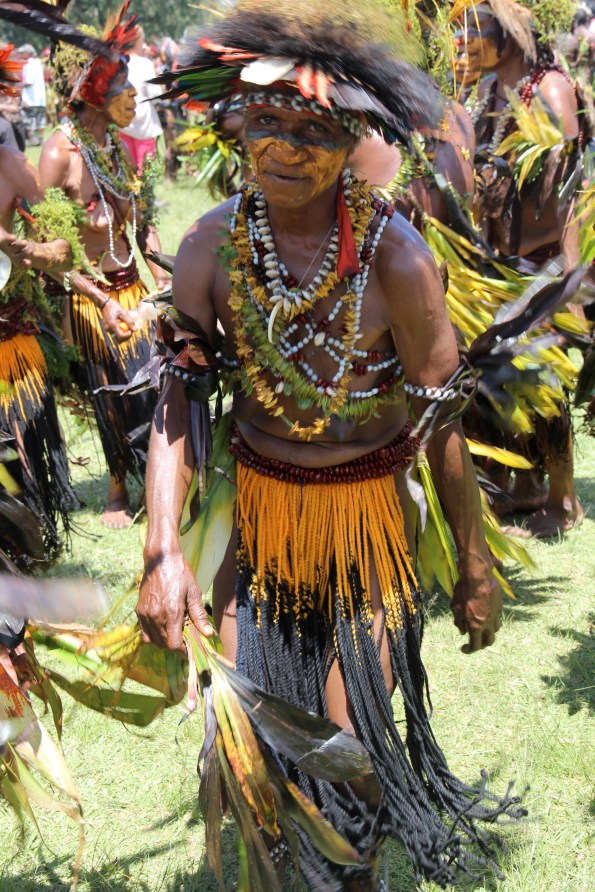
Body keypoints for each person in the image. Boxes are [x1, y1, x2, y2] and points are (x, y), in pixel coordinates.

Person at [138, 3, 526, 889]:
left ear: (352, 139)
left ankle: (354, 875)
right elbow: (177, 398)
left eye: (311, 130)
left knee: (345, 760)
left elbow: (440, 428)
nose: (281, 147)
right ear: (234, 122)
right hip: (260, 528)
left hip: (367, 538)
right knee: (258, 747)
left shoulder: (397, 261)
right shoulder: (210, 249)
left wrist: (471, 564)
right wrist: (164, 550)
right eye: (264, 122)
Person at [457, 0, 589, 537]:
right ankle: (526, 484)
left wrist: (570, 280)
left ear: (506, 39)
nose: (464, 45)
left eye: (475, 34)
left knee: (541, 372)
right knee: (493, 372)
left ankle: (563, 501)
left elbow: (575, 192)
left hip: (548, 259)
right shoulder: (489, 91)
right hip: (500, 260)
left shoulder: (552, 92)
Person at [39, 3, 166, 529]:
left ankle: (158, 480)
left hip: (132, 286)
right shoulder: (59, 154)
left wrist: (164, 279)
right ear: (96, 94)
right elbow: (48, 256)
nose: (136, 99)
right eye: (126, 91)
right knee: (110, 388)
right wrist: (100, 299)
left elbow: (143, 221)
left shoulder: (115, 147)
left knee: (156, 384)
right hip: (91, 297)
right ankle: (117, 488)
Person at [119, 27, 163, 171]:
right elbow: (155, 93)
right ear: (137, 41)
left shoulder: (119, 62)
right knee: (145, 171)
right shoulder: (145, 64)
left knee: (126, 169)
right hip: (144, 125)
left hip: (123, 123)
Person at [18, 44, 46, 146]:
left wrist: (17, 86)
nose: (20, 54)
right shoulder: (38, 63)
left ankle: (31, 140)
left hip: (31, 98)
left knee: (29, 120)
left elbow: (28, 82)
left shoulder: (28, 65)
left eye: (22, 52)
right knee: (40, 120)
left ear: (27, 53)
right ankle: (41, 140)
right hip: (40, 98)